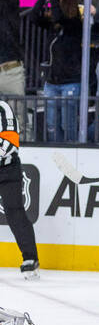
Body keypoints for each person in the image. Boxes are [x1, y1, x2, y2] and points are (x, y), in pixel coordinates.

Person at [0, 100, 39, 280]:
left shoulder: (3, 108)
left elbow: (11, 142)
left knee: (15, 212)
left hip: (7, 169)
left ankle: (30, 258)